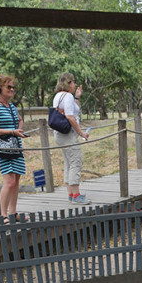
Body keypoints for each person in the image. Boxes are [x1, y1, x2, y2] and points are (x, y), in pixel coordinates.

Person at [0, 74, 26, 224]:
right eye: (8, 87)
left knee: (16, 180)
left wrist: (19, 129)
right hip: (3, 148)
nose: (12, 89)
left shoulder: (12, 106)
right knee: (9, 181)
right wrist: (12, 131)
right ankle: (2, 214)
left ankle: (13, 213)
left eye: (13, 87)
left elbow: (19, 121)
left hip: (16, 147)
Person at [52, 73, 91, 205]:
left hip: (60, 134)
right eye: (73, 81)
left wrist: (77, 96)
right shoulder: (67, 96)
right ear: (68, 83)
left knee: (68, 163)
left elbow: (74, 109)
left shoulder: (59, 96)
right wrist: (81, 133)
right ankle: (76, 196)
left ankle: (71, 194)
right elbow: (70, 116)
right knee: (75, 162)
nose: (75, 84)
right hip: (68, 135)